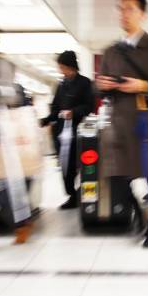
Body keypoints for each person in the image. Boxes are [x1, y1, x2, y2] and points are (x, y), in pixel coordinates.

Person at [96, 0, 148, 248]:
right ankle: (135, 212)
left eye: (129, 9)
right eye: (120, 9)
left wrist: (142, 85)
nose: (124, 14)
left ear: (142, 14)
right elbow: (99, 86)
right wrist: (103, 85)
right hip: (120, 122)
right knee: (116, 173)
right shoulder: (111, 52)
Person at [41, 50, 95, 209]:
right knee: (65, 166)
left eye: (63, 67)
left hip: (78, 131)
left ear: (71, 66)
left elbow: (88, 106)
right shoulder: (61, 85)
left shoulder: (85, 83)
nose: (61, 70)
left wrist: (74, 112)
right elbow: (55, 107)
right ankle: (71, 195)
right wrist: (46, 120)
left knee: (79, 165)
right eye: (60, 67)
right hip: (61, 133)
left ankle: (78, 194)